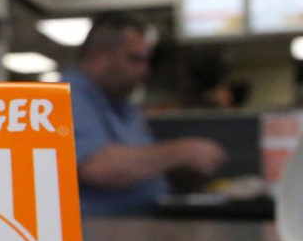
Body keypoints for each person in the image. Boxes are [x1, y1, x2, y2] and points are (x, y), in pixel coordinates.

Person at [65, 16, 226, 217]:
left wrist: (180, 170)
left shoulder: (120, 101)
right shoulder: (66, 98)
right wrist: (182, 153)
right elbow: (96, 166)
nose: (145, 70)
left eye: (147, 61)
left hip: (142, 225)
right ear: (98, 56)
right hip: (99, 238)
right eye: (135, 59)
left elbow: (141, 164)